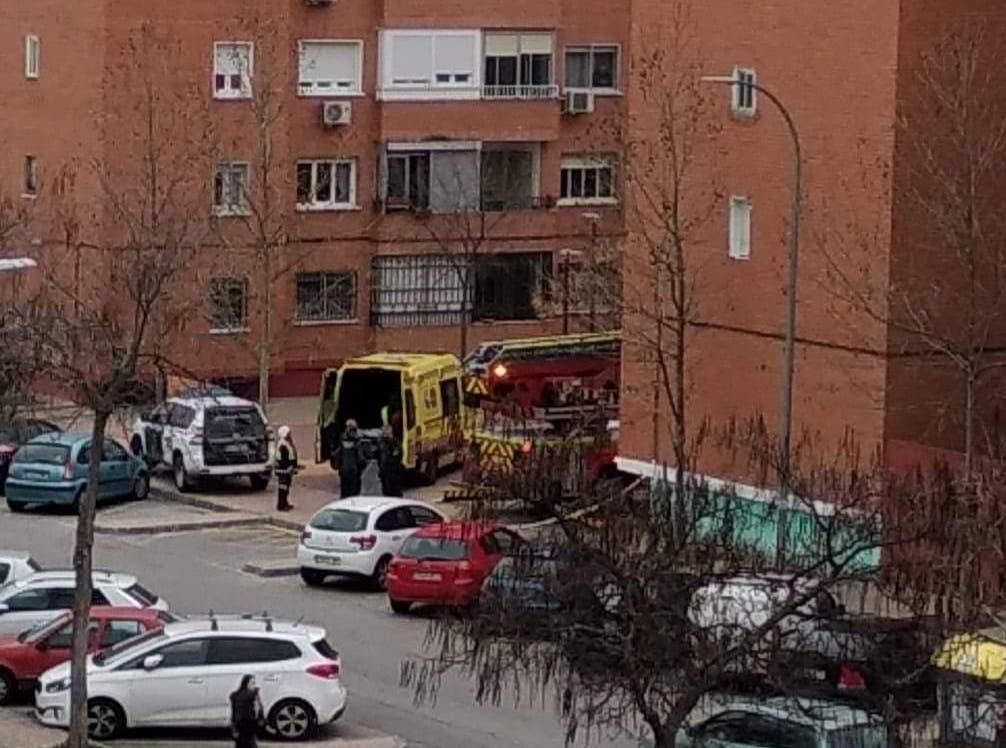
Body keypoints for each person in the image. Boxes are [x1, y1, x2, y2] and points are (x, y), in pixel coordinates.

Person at [333, 419, 365, 498]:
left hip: (345, 473)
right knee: (353, 495)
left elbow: (336, 457)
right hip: (354, 473)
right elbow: (361, 459)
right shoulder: (357, 443)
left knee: (345, 495)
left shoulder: (341, 441)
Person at [230, 674, 263, 748]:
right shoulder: (247, 696)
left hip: (245, 727)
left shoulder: (237, 696)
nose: (254, 686)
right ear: (246, 684)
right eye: (252, 683)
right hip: (245, 726)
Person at [274, 425, 298, 512]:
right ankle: (281, 505)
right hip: (284, 470)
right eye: (288, 433)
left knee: (287, 486)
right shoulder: (282, 445)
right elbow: (283, 458)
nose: (290, 435)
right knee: (283, 487)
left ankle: (285, 503)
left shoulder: (287, 443)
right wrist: (289, 467)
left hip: (288, 469)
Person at [378, 425, 404, 497]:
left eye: (386, 432)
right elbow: (379, 456)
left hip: (394, 474)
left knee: (396, 493)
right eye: (383, 432)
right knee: (386, 494)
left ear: (390, 432)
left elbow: (397, 456)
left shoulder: (395, 443)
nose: (384, 433)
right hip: (384, 475)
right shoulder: (381, 443)